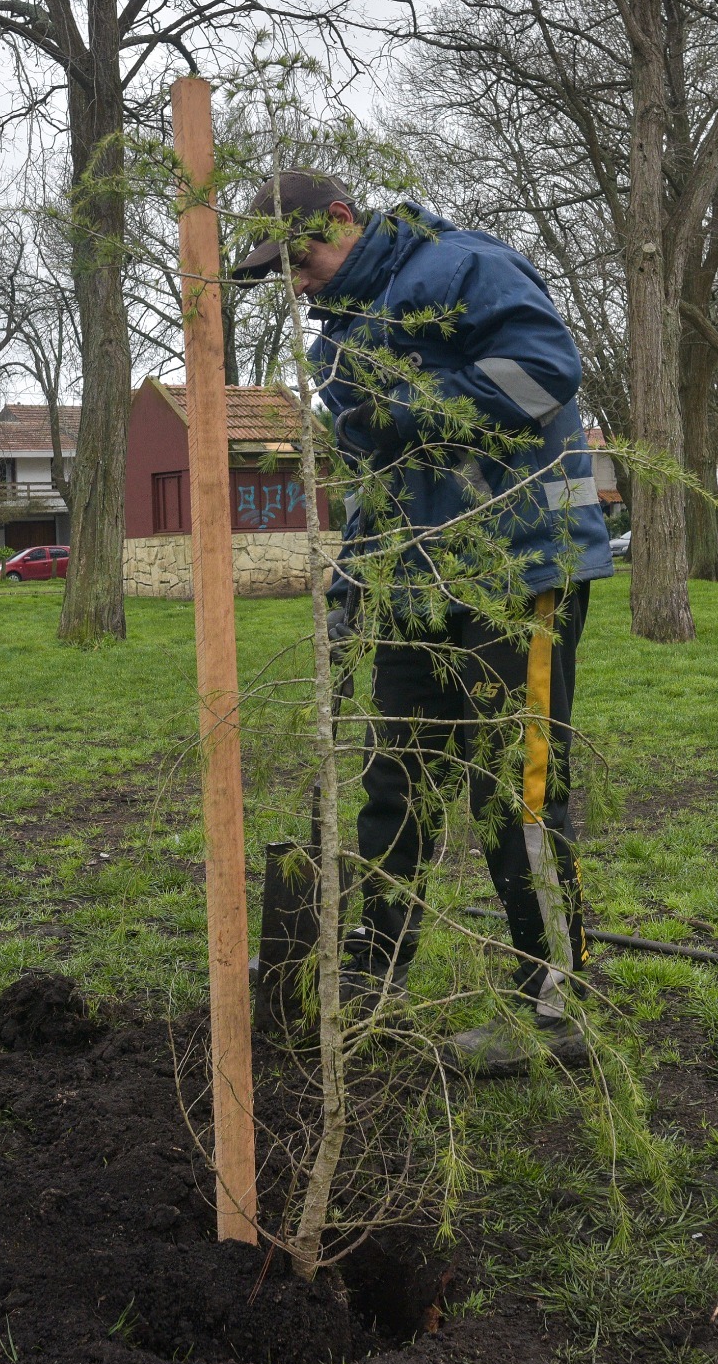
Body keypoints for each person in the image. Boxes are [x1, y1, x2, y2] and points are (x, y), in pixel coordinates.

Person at [232, 170, 612, 1025]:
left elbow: (545, 372)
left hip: (518, 566)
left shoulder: (458, 269)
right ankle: (376, 964)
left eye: (299, 260)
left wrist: (407, 405)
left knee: (514, 786)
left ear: (340, 218)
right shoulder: (338, 342)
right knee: (393, 777)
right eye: (281, 277)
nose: (295, 285)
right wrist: (351, 581)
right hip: (410, 580)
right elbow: (381, 478)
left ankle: (555, 1001)